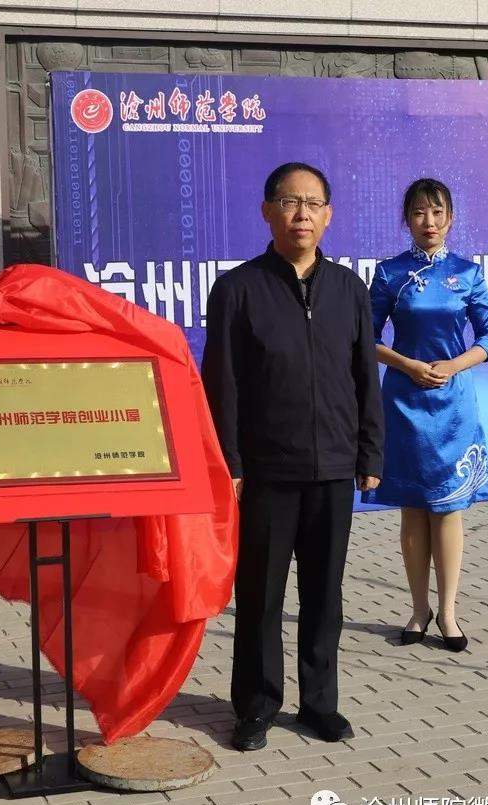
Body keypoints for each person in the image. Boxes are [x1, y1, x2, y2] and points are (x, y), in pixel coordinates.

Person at [201, 162, 384, 752]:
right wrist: (229, 463)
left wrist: (370, 452)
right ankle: (256, 706)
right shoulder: (238, 289)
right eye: (289, 202)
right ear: (267, 212)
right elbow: (222, 384)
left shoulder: (350, 289)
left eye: (312, 203)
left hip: (333, 468)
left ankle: (319, 705)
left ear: (328, 215)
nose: (301, 214)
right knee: (260, 597)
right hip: (266, 473)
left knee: (325, 596)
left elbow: (365, 377)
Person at [362, 178, 488, 652]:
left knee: (448, 509)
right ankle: (418, 609)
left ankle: (448, 612)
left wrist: (453, 365)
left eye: (438, 212)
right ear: (407, 219)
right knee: (413, 509)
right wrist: (407, 365)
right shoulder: (389, 274)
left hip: (453, 404)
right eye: (420, 212)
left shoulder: (468, 273)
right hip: (404, 401)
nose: (429, 222)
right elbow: (365, 338)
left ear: (451, 218)